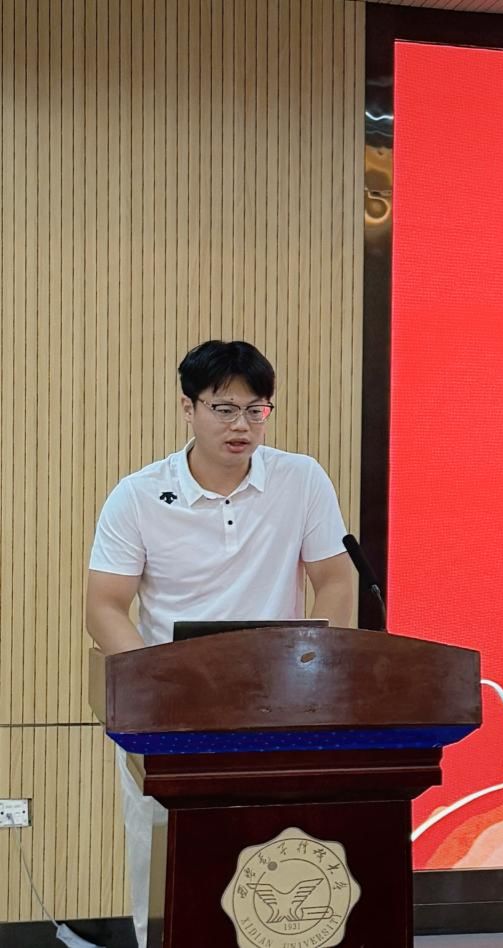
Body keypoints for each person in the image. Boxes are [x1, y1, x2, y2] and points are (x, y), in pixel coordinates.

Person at [84, 339, 357, 946]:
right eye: (225, 409)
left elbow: (337, 580)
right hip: (172, 719)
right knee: (172, 877)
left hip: (278, 711)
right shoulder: (138, 495)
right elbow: (104, 605)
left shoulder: (300, 479)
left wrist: (314, 671)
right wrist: (154, 688)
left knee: (279, 866)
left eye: (257, 410)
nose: (242, 426)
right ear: (188, 407)